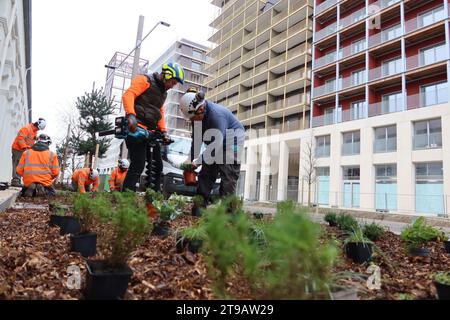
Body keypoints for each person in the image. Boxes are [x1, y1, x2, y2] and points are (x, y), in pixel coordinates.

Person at [121, 62, 185, 192]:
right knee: (138, 164)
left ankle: (153, 198)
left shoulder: (163, 93)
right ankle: (125, 198)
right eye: (172, 82)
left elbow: (159, 111)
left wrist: (163, 131)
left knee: (158, 167)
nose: (172, 86)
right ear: (166, 75)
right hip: (136, 128)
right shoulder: (145, 80)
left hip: (151, 132)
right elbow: (129, 95)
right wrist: (131, 115)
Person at [179, 90, 245, 206]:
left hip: (232, 142)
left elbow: (216, 146)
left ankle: (228, 214)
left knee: (228, 176)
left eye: (193, 118)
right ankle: (199, 207)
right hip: (216, 143)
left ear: (200, 110)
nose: (192, 121)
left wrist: (197, 162)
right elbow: (197, 141)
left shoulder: (216, 116)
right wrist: (189, 159)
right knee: (206, 173)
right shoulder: (197, 116)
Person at [11, 118, 46, 187]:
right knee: (17, 164)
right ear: (37, 124)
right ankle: (15, 181)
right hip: (18, 149)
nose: (38, 130)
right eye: (38, 128)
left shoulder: (34, 131)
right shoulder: (26, 129)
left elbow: (32, 140)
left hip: (24, 150)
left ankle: (18, 180)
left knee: (22, 166)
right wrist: (25, 148)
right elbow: (20, 139)